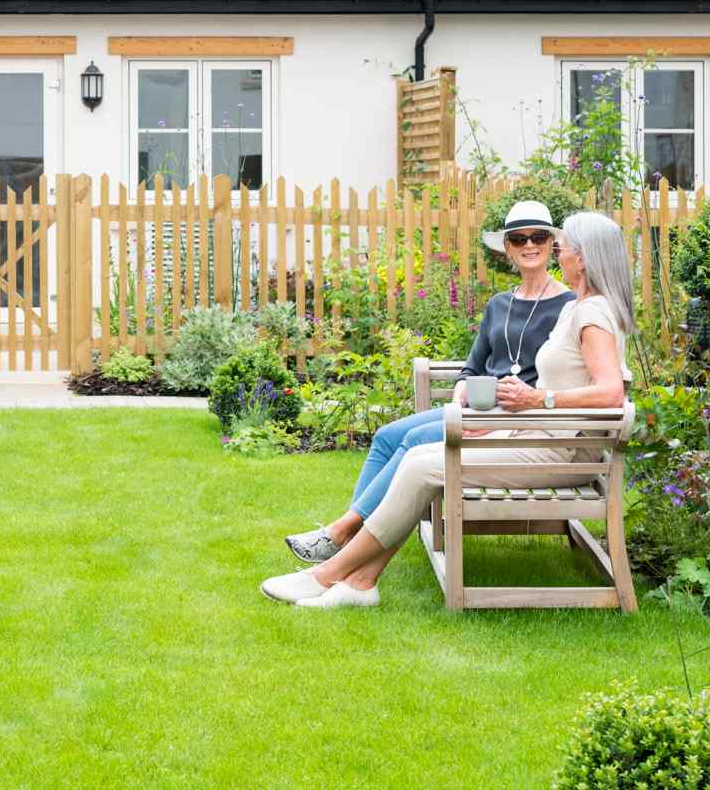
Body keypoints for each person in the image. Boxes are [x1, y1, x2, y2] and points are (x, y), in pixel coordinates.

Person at [261, 210, 633, 609]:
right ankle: (361, 581)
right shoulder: (580, 308)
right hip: (542, 438)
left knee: (423, 465)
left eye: (562, 246)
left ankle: (328, 574)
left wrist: (537, 399)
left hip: (562, 454)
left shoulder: (592, 312)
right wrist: (493, 428)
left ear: (583, 258)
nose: (556, 252)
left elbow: (611, 392)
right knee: (419, 456)